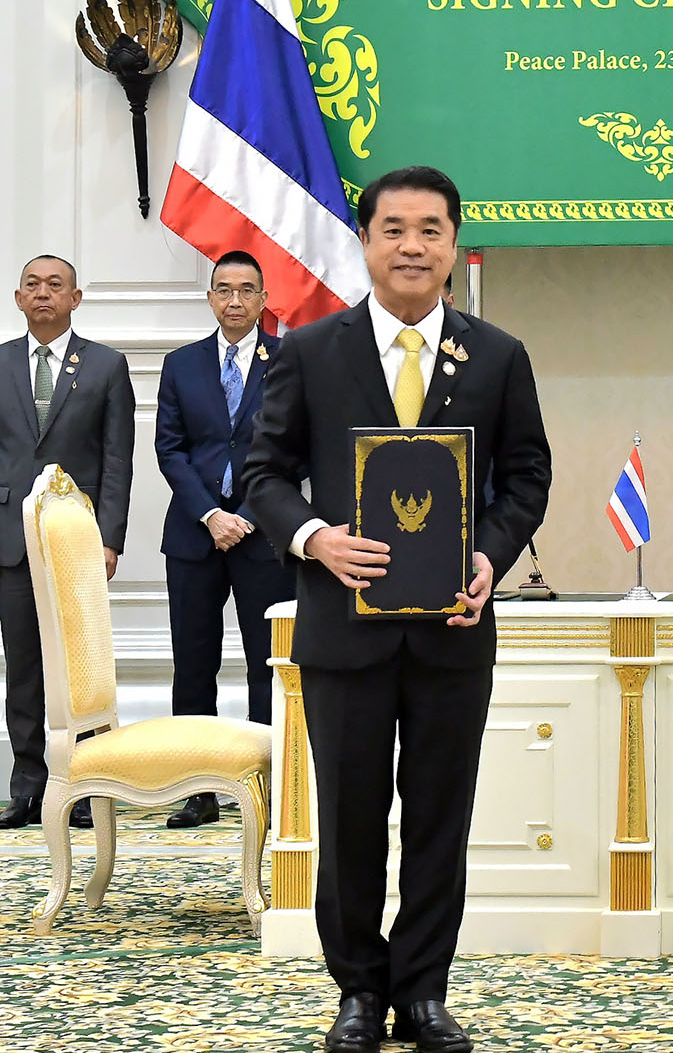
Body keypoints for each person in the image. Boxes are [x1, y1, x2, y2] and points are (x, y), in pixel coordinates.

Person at [242, 167, 550, 1053]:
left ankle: (423, 993)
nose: (412, 246)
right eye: (394, 229)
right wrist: (315, 539)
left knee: (440, 821)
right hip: (343, 634)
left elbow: (527, 475)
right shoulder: (309, 350)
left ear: (454, 244)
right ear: (366, 241)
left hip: (453, 632)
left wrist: (490, 555)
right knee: (347, 822)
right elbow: (263, 474)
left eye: (430, 230)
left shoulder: (498, 355)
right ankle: (357, 991)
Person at [154, 251, 294, 828]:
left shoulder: (289, 361)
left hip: (265, 538)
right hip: (195, 537)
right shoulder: (181, 364)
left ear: (264, 299)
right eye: (224, 289)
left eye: (246, 290)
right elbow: (170, 449)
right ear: (210, 297)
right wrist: (212, 514)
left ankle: (267, 788)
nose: (234, 300)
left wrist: (252, 515)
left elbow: (296, 449)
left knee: (268, 663)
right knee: (194, 664)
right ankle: (200, 789)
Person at [0, 255, 134, 832]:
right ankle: (29, 787)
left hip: (79, 543)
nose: (43, 293)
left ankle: (81, 788)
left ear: (75, 298)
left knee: (78, 668)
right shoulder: (1, 362)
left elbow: (117, 460)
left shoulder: (105, 365)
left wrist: (109, 540)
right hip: (11, 540)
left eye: (56, 285)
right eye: (33, 285)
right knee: (24, 667)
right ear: (18, 298)